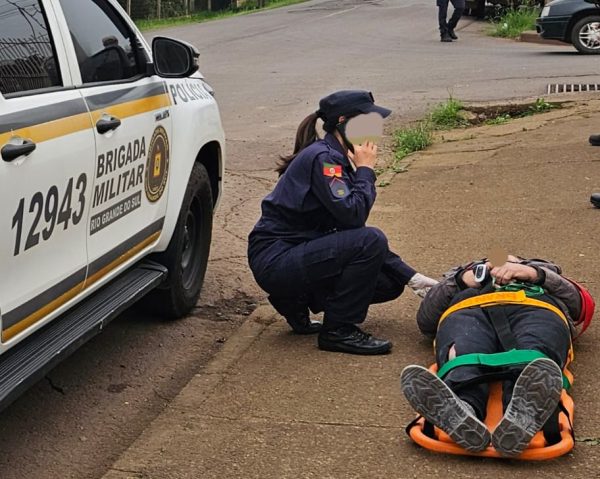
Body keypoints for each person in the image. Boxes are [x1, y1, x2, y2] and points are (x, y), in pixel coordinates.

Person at [247, 90, 437, 355]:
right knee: (371, 239)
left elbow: (347, 229)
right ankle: (338, 331)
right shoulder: (325, 160)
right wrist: (366, 170)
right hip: (277, 259)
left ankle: (294, 300)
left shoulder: (334, 156)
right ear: (344, 122)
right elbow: (353, 216)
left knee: (388, 282)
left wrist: (411, 278)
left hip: (295, 254)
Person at [400, 256, 587, 457]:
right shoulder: (460, 276)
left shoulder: (544, 272)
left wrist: (535, 274)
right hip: (470, 310)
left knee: (534, 352)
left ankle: (522, 412)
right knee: (464, 352)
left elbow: (579, 306)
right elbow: (426, 320)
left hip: (535, 308)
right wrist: (462, 280)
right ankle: (464, 407)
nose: (502, 257)